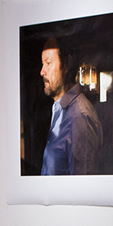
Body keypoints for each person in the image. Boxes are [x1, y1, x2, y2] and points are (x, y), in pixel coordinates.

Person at [39, 38, 103, 175]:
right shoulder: (60, 110)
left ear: (66, 64)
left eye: (48, 63)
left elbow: (82, 189)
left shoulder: (79, 117)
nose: (42, 71)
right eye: (42, 64)